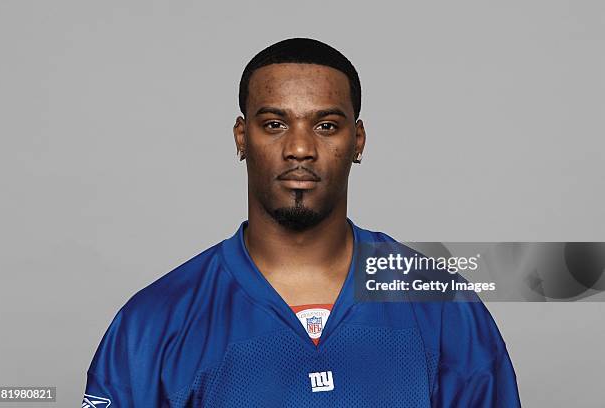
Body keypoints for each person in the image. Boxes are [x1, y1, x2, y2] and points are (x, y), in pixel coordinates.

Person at [83, 38, 521, 407]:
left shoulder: (443, 309)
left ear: (357, 140)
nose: (299, 148)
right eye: (274, 124)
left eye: (326, 125)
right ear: (241, 138)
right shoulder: (154, 322)